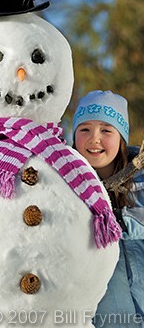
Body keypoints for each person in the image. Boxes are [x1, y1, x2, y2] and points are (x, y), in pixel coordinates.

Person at [72, 90, 144, 328]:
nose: (95, 138)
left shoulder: (142, 187)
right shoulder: (63, 194)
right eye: (85, 129)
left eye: (106, 130)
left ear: (121, 136)